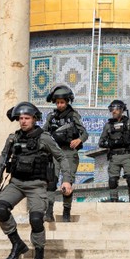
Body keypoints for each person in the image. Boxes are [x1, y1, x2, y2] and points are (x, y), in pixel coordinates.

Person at [0, 102, 73, 259]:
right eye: (21, 118)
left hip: (37, 185)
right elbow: (3, 155)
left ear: (35, 119)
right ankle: (17, 243)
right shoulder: (13, 138)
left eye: (27, 118)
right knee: (0, 208)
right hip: (16, 183)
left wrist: (66, 180)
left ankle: (39, 256)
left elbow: (62, 157)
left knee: (36, 220)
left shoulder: (44, 138)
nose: (23, 121)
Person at [43, 85, 87, 222]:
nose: (60, 105)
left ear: (67, 102)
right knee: (51, 182)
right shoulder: (51, 117)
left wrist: (79, 140)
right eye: (58, 103)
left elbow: (85, 133)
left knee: (67, 183)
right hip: (54, 153)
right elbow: (44, 133)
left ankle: (66, 212)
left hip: (69, 153)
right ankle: (48, 212)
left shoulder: (74, 116)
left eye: (62, 102)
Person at [98, 99, 130, 202]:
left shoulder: (129, 123)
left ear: (121, 110)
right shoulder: (108, 125)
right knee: (112, 180)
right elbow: (101, 142)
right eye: (112, 109)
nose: (113, 112)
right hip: (114, 156)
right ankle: (114, 201)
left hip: (127, 155)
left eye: (115, 109)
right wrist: (111, 144)